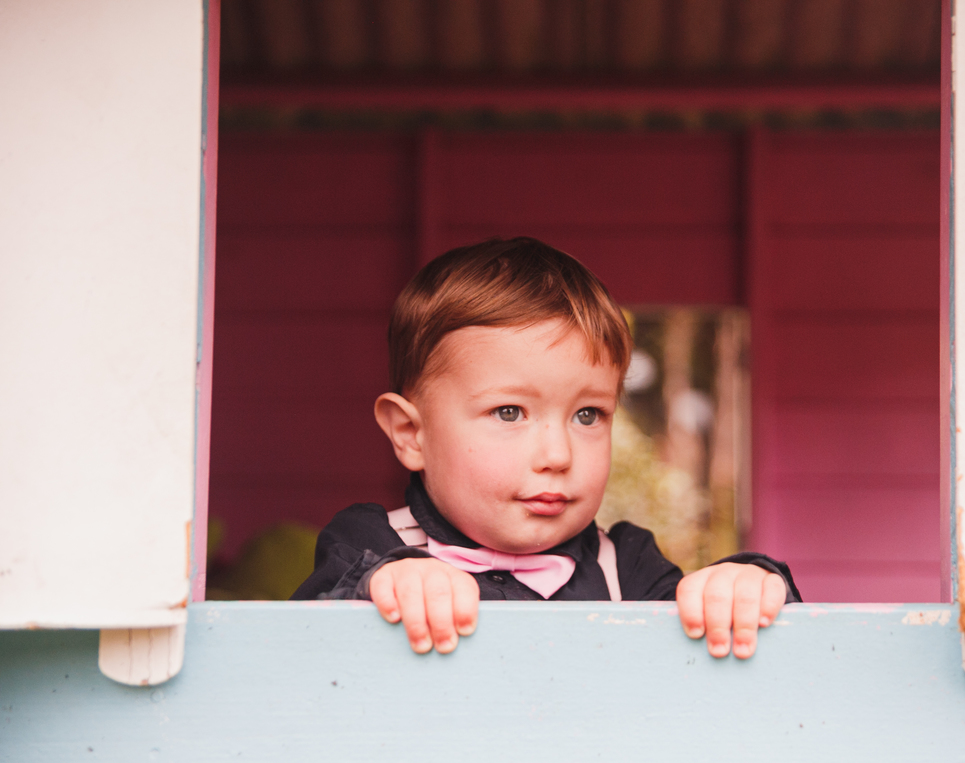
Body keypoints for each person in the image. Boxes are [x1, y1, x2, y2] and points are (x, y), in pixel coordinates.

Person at [292, 237, 800, 659]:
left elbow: (714, 649)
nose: (557, 455)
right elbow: (294, 657)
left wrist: (743, 584)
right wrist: (391, 584)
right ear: (410, 433)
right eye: (509, 413)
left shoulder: (624, 564)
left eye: (587, 415)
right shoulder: (371, 543)